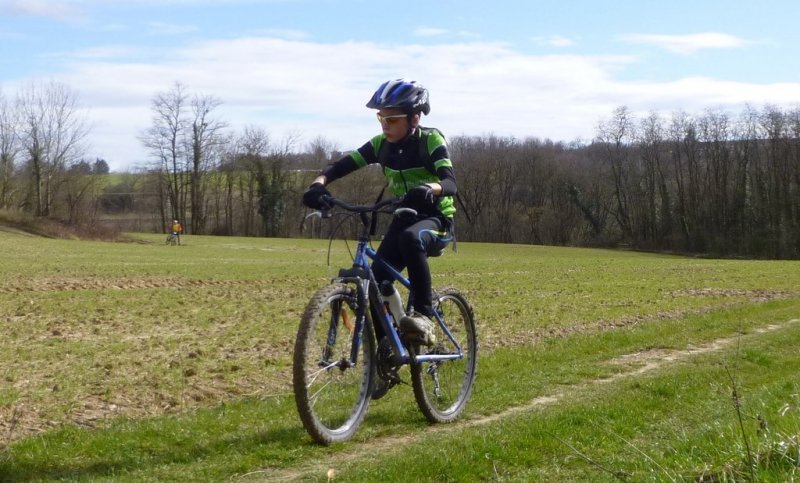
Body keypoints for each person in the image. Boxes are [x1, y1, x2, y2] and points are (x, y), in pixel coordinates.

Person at [302, 78, 457, 367]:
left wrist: (430, 189)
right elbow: (340, 166)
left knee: (412, 239)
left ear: (414, 118)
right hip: (403, 215)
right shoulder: (380, 146)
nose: (385, 125)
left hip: (435, 217)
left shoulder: (430, 140)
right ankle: (388, 348)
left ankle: (423, 314)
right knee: (376, 282)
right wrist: (318, 184)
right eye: (381, 118)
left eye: (392, 119)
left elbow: (450, 182)